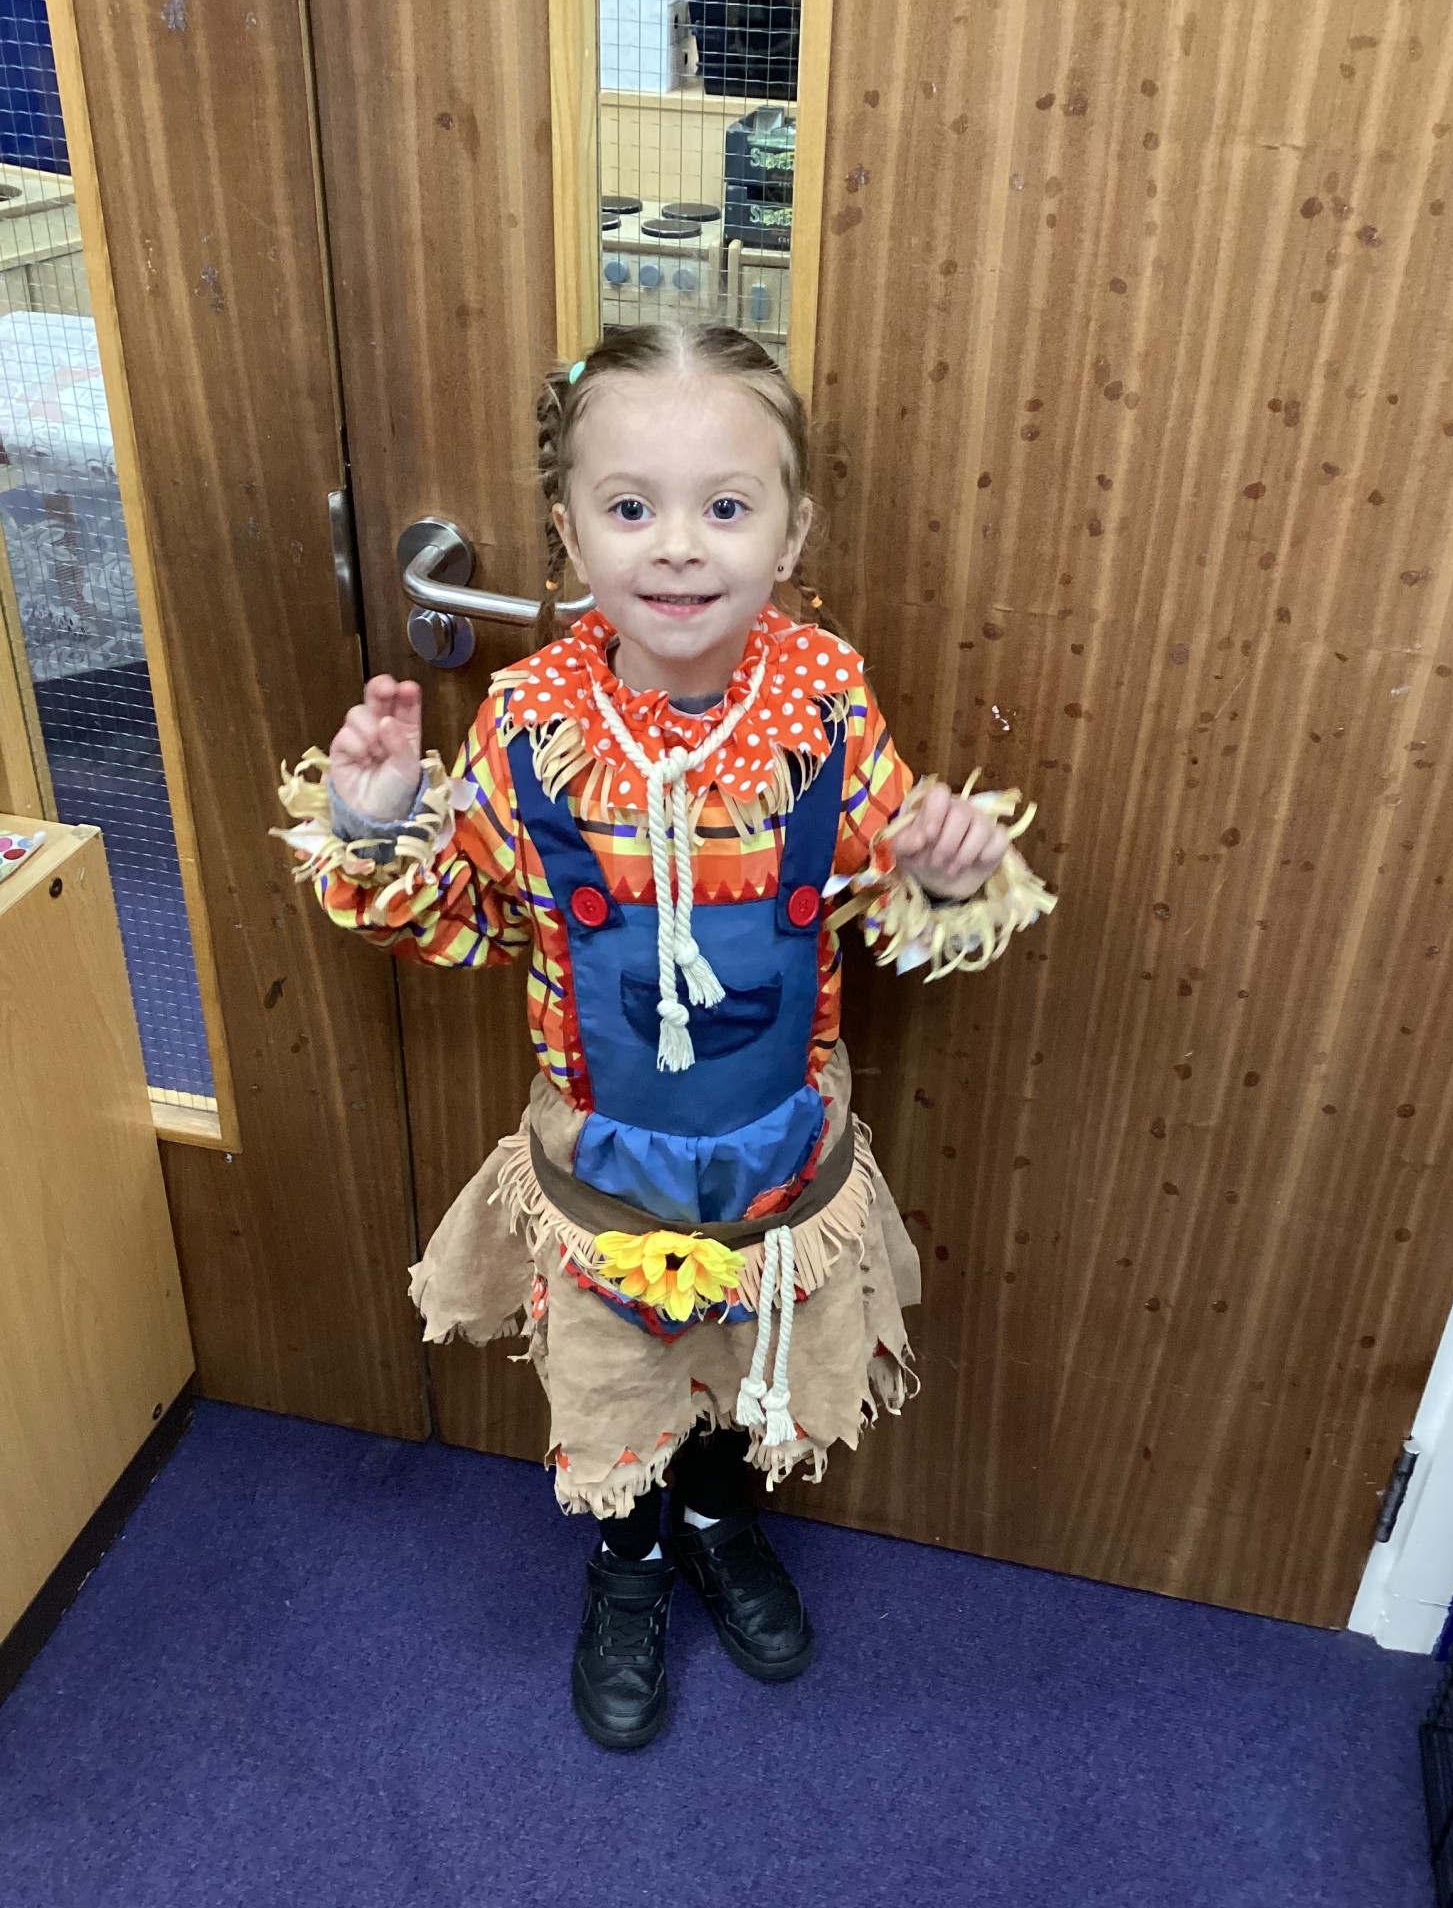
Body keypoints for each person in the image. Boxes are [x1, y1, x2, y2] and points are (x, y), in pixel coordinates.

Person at [275, 323, 1054, 1750]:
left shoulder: (826, 702)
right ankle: (627, 1558)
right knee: (625, 1361)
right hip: (601, 1162)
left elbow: (889, 897)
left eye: (725, 506)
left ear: (791, 528)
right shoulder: (524, 724)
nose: (679, 548)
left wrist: (944, 866)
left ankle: (714, 1514)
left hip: (779, 1156)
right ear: (568, 531)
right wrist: (380, 825)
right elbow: (459, 922)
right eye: (631, 507)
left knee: (738, 1358)